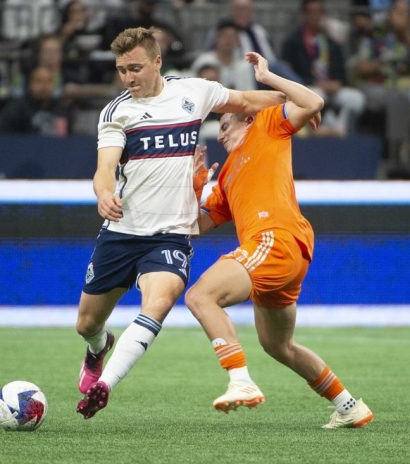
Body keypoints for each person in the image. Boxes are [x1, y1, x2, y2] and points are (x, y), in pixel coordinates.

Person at [74, 27, 284, 420]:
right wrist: (103, 194)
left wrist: (296, 103)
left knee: (159, 303)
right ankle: (98, 348)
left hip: (170, 236)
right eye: (121, 70)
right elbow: (104, 169)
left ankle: (106, 385)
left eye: (135, 68)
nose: (128, 77)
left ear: (157, 62)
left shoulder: (194, 92)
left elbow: (246, 100)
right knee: (86, 323)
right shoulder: (117, 112)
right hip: (122, 232)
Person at [184, 52, 373, 429]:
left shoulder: (268, 125)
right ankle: (349, 405)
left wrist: (268, 77)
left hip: (275, 240)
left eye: (225, 123)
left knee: (200, 296)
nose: (219, 134)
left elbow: (313, 102)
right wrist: (193, 187)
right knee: (277, 345)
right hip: (281, 252)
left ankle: (240, 380)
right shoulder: (226, 177)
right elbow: (193, 227)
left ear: (247, 117)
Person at [281, 0, 365, 136]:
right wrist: (315, 83)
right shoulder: (292, 43)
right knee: (316, 95)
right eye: (311, 12)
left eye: (319, 12)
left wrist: (337, 83)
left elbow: (341, 72)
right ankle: (317, 129)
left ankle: (340, 128)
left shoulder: (331, 43)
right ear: (303, 15)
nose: (316, 16)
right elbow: (288, 75)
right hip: (308, 88)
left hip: (332, 89)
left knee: (356, 98)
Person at [0, 67, 69, 135]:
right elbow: (5, 136)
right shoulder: (16, 109)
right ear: (30, 85)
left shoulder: (60, 108)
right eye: (39, 81)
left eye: (49, 81)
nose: (44, 86)